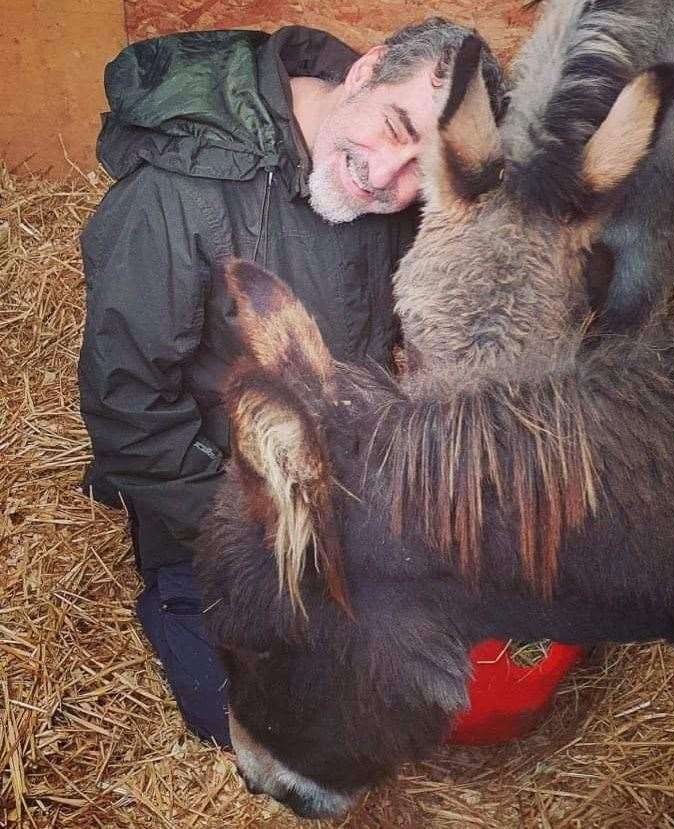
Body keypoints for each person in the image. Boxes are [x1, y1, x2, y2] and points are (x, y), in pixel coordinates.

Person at [78, 19, 505, 746]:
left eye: (421, 173)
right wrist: (256, 532)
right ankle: (178, 596)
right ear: (367, 71)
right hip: (221, 502)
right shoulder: (177, 196)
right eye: (397, 125)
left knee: (431, 667)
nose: (386, 176)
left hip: (337, 483)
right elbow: (126, 407)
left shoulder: (378, 188)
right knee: (270, 723)